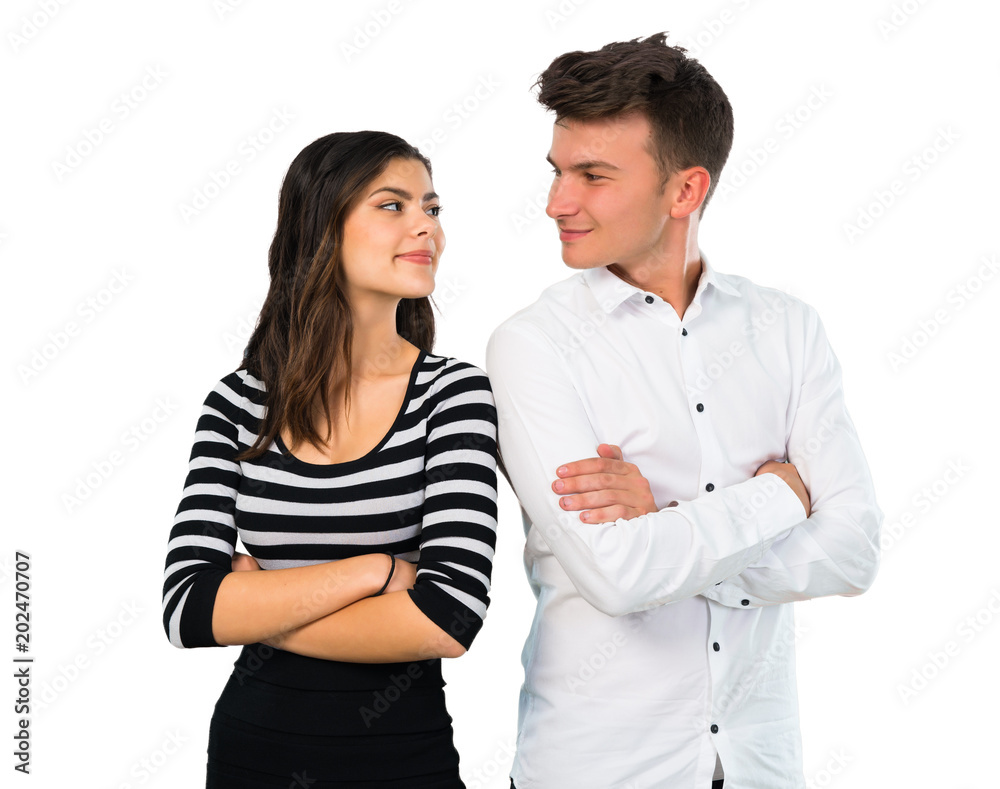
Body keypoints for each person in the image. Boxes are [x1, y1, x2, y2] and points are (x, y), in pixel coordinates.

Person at [485, 34, 882, 789]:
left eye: (593, 175)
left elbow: (854, 549)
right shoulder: (532, 346)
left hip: (760, 768)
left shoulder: (787, 329)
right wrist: (781, 495)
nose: (555, 203)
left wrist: (668, 518)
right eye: (557, 171)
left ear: (685, 191)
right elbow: (619, 576)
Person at [161, 131, 498, 789]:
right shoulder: (238, 402)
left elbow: (450, 613)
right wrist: (373, 570)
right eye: (393, 205)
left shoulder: (453, 393)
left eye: (432, 208)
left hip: (405, 761)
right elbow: (187, 608)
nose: (426, 227)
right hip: (251, 753)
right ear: (322, 225)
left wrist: (259, 608)